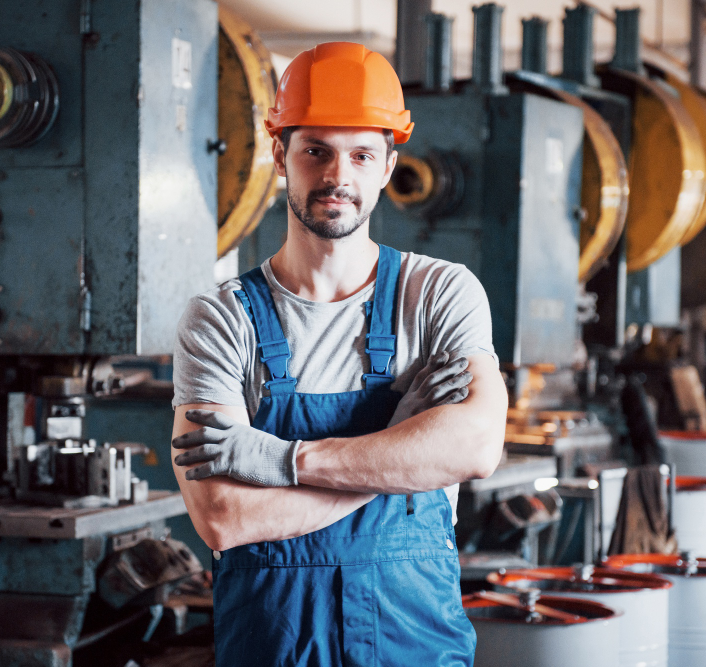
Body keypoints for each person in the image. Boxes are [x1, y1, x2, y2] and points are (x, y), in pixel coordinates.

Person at [170, 42, 508, 666]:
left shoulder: (439, 294)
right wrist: (402, 456)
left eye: (360, 154)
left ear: (387, 166)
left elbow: (475, 448)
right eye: (316, 151)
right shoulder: (221, 319)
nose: (338, 177)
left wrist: (277, 458)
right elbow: (222, 516)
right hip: (274, 649)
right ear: (280, 155)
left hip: (415, 646)